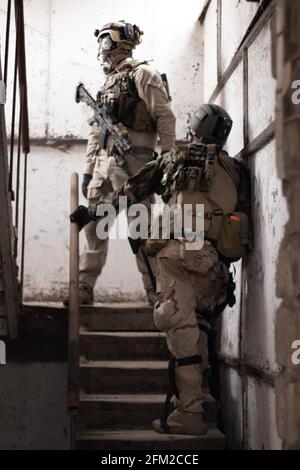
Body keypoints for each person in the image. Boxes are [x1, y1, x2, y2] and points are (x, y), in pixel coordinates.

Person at [71, 104, 252, 435]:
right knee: (198, 325)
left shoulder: (173, 160)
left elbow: (128, 194)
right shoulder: (237, 171)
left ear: (195, 127)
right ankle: (201, 392)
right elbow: (240, 224)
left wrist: (89, 212)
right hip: (213, 265)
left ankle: (191, 414)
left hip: (175, 257)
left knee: (180, 331)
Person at [65, 20, 176, 306]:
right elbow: (96, 132)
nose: (102, 49)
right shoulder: (106, 85)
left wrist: (168, 160)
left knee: (141, 232)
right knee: (93, 230)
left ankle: (155, 291)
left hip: (136, 165)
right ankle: (84, 288)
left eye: (105, 41)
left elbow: (165, 117)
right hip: (103, 167)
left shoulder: (144, 74)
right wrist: (89, 170)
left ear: (118, 42)